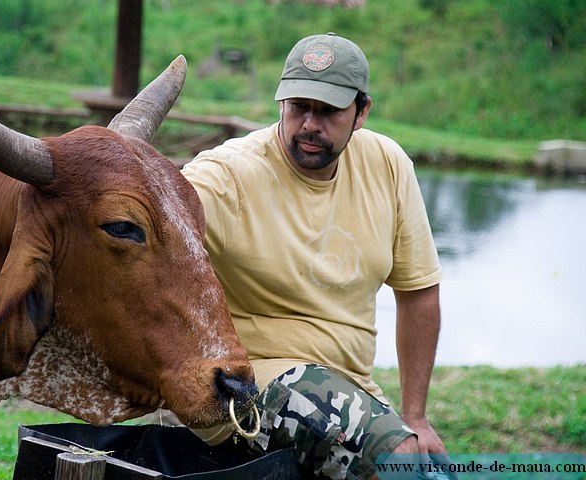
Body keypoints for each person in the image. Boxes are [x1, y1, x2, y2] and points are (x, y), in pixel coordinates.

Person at [179, 32, 448, 479]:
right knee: (396, 460)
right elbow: (153, 219)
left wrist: (415, 416)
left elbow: (418, 292)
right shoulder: (227, 174)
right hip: (241, 387)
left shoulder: (388, 164)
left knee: (431, 471)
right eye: (298, 106)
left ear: (361, 112)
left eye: (328, 111)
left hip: (348, 388)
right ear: (280, 102)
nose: (309, 124)